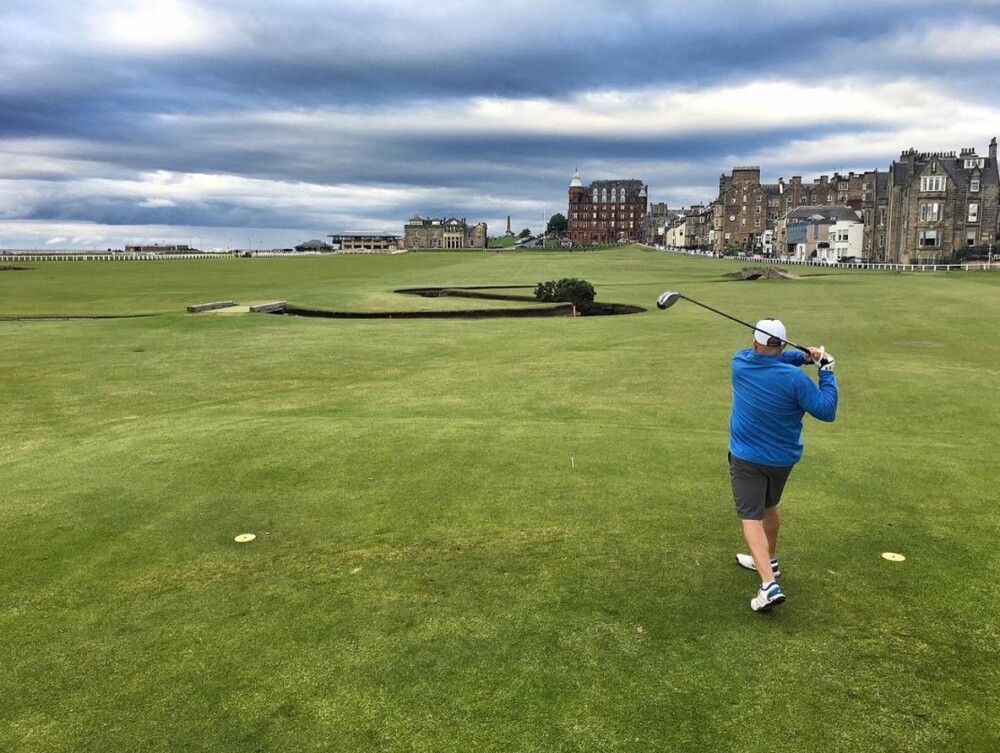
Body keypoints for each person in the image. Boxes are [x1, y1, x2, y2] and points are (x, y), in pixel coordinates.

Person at [729, 319, 838, 612]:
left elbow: (767, 355)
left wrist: (799, 358)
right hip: (782, 459)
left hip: (746, 457)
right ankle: (769, 560)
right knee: (769, 506)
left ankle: (768, 585)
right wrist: (823, 369)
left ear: (755, 344)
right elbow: (827, 411)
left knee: (750, 517)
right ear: (783, 345)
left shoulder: (740, 363)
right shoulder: (796, 380)